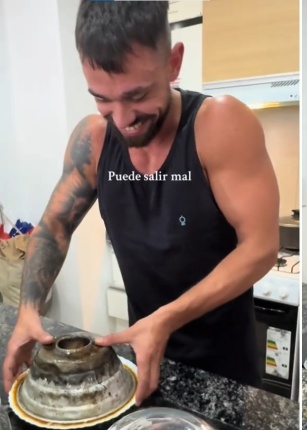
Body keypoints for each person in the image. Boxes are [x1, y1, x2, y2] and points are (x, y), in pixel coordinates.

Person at [2, 1, 280, 406]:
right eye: (102, 99)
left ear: (173, 63)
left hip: (226, 377)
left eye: (136, 95)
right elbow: (54, 226)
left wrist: (165, 319)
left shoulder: (220, 124)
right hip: (143, 364)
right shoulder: (94, 140)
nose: (121, 119)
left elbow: (261, 247)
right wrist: (28, 310)